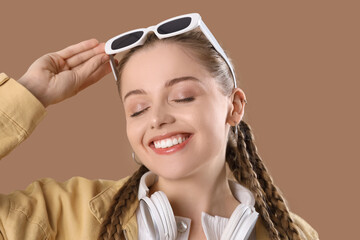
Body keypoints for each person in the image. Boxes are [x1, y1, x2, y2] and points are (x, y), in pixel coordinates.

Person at [0, 13, 319, 240]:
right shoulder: (59, 216)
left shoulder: (293, 234)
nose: (156, 119)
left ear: (233, 107)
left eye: (182, 97)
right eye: (138, 109)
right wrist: (29, 93)